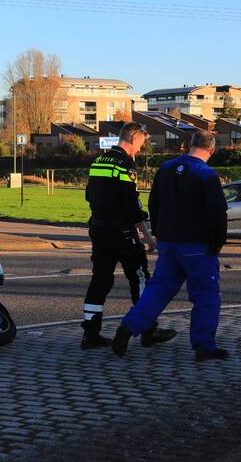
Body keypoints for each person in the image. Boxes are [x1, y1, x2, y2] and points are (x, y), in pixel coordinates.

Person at [112, 130, 229, 361]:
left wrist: (159, 233)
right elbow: (217, 214)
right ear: (212, 150)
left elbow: (153, 205)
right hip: (197, 245)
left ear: (188, 144)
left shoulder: (165, 169)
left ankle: (128, 327)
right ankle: (203, 345)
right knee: (205, 295)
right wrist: (216, 243)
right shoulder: (207, 175)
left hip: (168, 243)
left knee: (159, 290)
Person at [80, 122, 177, 349]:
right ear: (133, 138)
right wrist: (147, 236)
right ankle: (148, 330)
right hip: (121, 230)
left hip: (99, 228)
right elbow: (131, 204)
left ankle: (90, 334)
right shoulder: (125, 164)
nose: (141, 149)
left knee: (100, 280)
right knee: (140, 278)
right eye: (142, 144)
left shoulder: (99, 160)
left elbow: (89, 195)